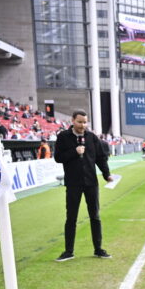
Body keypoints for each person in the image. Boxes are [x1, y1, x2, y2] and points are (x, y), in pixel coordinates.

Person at [53, 110, 113, 261]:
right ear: (73, 121)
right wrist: (74, 152)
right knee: (71, 217)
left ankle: (98, 249)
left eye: (85, 122)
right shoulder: (63, 137)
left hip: (91, 183)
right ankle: (68, 251)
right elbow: (58, 158)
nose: (82, 125)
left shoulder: (92, 137)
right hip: (73, 184)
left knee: (95, 216)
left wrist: (107, 174)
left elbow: (100, 158)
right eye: (80, 122)